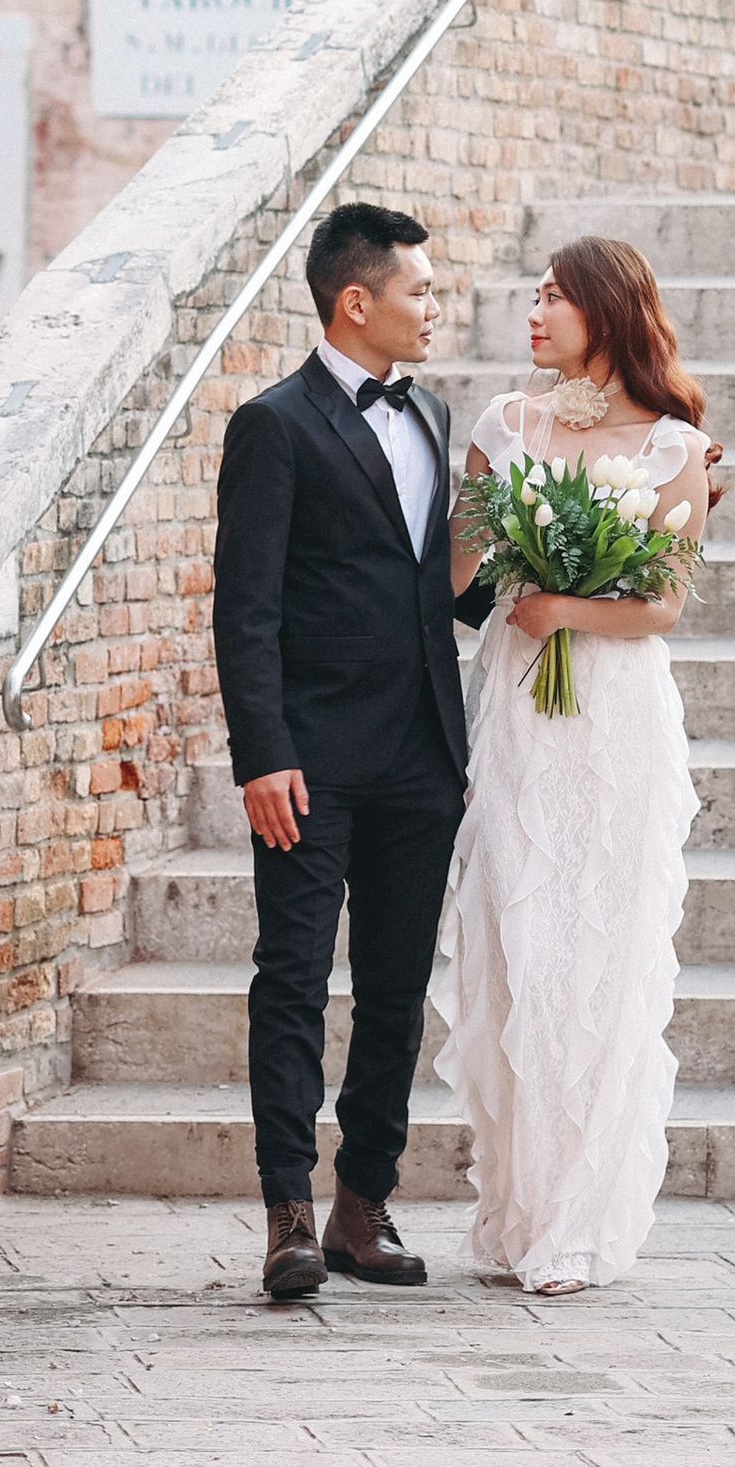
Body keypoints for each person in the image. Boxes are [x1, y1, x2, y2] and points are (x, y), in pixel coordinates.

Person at [211, 200, 484, 1304]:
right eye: (420, 289)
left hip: (423, 749)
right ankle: (286, 1207)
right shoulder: (273, 426)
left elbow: (446, 594)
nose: (435, 306)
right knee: (291, 977)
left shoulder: (433, 417)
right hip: (310, 759)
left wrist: (598, 553)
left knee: (395, 985)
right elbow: (247, 608)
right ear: (355, 300)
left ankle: (363, 1201)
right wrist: (261, 753)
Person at [434, 235, 710, 1296]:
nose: (534, 311)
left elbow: (663, 606)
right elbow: (456, 579)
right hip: (514, 705)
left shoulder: (673, 447)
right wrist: (492, 549)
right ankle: (521, 1205)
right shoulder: (503, 426)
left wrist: (564, 603)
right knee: (515, 944)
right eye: (535, 294)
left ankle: (582, 1219)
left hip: (613, 718)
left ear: (605, 309)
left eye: (553, 295)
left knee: (600, 949)